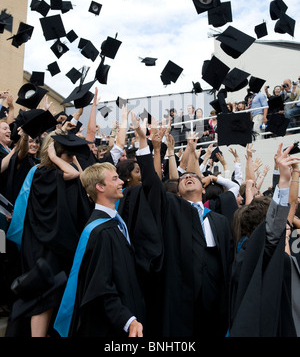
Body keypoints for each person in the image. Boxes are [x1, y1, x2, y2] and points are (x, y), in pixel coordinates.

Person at [131, 114, 233, 337]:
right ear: (177, 191)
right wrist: (144, 144)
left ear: (204, 188)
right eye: (184, 177)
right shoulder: (172, 208)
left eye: (194, 177)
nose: (188, 177)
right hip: (180, 294)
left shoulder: (220, 220)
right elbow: (152, 186)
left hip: (214, 296)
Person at [6, 131, 93, 337]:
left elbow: (82, 179)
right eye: (68, 155)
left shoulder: (58, 173)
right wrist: (54, 157)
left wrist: (67, 158)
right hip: (41, 246)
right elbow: (75, 175)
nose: (71, 159)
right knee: (42, 296)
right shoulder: (42, 173)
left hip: (55, 244)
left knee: (53, 295)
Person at [54, 162, 145, 337]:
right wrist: (127, 320)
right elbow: (100, 286)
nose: (121, 182)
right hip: (115, 325)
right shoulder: (100, 231)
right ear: (100, 187)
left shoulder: (114, 223)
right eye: (115, 178)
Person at [228, 142, 300, 336]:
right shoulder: (255, 252)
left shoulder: (249, 252)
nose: (287, 225)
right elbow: (272, 230)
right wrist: (284, 181)